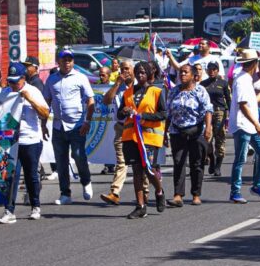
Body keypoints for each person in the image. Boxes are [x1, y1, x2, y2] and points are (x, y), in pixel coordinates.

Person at [0, 63, 49, 224]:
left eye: (16, 82)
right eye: (10, 82)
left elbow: (45, 113)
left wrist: (29, 99)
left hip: (31, 139)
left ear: (23, 79)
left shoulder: (33, 91)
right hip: (11, 140)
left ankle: (35, 206)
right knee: (11, 176)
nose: (13, 85)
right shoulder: (6, 93)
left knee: (30, 175)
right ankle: (9, 210)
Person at [43, 48, 95, 205]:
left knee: (78, 156)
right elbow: (46, 103)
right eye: (64, 59)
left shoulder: (81, 78)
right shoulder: (51, 80)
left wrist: (87, 121)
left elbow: (90, 101)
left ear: (73, 62)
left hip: (77, 125)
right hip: (58, 126)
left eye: (70, 59)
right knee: (61, 161)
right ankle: (65, 193)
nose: (67, 62)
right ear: (58, 62)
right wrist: (43, 124)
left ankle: (86, 182)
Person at [119, 61, 168, 218]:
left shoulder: (156, 91)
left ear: (148, 74)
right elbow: (119, 115)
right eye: (138, 72)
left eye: (143, 72)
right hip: (131, 137)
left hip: (148, 137)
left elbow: (163, 114)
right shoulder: (128, 93)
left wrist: (143, 116)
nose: (140, 75)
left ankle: (159, 192)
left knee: (148, 168)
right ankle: (140, 205)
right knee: (136, 171)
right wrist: (125, 111)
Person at [166, 64, 212, 207]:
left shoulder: (200, 90)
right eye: (181, 72)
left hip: (196, 131)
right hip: (177, 131)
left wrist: (208, 128)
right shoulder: (174, 91)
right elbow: (168, 112)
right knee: (179, 162)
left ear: (193, 75)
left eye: (185, 72)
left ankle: (196, 194)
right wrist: (164, 132)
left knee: (196, 163)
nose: (182, 75)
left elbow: (207, 110)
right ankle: (178, 195)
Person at [229, 50, 260, 204]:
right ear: (254, 63)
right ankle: (235, 191)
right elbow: (243, 106)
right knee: (240, 159)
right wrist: (257, 124)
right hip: (242, 125)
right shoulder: (241, 80)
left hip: (251, 125)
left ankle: (258, 185)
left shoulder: (246, 78)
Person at [99, 60, 135, 205]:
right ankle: (115, 193)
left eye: (127, 69)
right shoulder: (118, 86)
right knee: (121, 162)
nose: (124, 72)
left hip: (138, 128)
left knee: (142, 164)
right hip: (121, 128)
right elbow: (106, 101)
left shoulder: (139, 85)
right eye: (122, 69)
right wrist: (117, 84)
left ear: (133, 70)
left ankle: (150, 192)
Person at [200, 61, 230, 176]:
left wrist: (229, 116)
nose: (212, 71)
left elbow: (229, 99)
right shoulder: (203, 84)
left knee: (220, 138)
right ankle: (211, 158)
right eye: (210, 69)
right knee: (207, 138)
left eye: (214, 69)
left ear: (217, 70)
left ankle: (218, 165)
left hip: (219, 112)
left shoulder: (223, 83)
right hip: (206, 113)